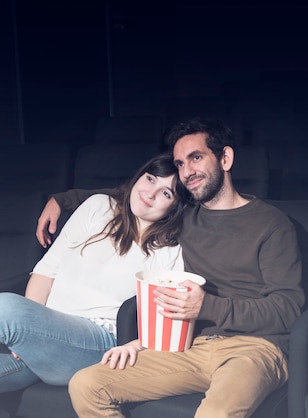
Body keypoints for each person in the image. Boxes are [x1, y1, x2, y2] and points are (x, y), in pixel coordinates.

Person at [35, 117, 304, 418]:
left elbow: (287, 309)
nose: (187, 171)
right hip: (189, 347)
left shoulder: (272, 223)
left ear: (225, 158)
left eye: (196, 158)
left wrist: (208, 307)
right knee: (87, 384)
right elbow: (131, 196)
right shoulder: (184, 219)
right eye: (179, 164)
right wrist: (63, 200)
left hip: (255, 348)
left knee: (214, 414)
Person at [0, 153, 187, 394]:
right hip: (46, 333)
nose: (150, 193)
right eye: (150, 179)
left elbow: (168, 319)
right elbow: (47, 270)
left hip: (96, 342)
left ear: (174, 207)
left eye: (166, 193)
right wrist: (30, 332)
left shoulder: (169, 249)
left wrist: (137, 346)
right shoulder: (97, 206)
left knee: (5, 308)